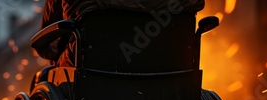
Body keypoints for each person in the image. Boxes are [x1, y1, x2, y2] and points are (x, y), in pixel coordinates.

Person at [38, 0, 206, 66]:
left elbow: (46, 38)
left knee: (53, 72)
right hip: (169, 68)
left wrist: (51, 51)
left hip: (97, 66)